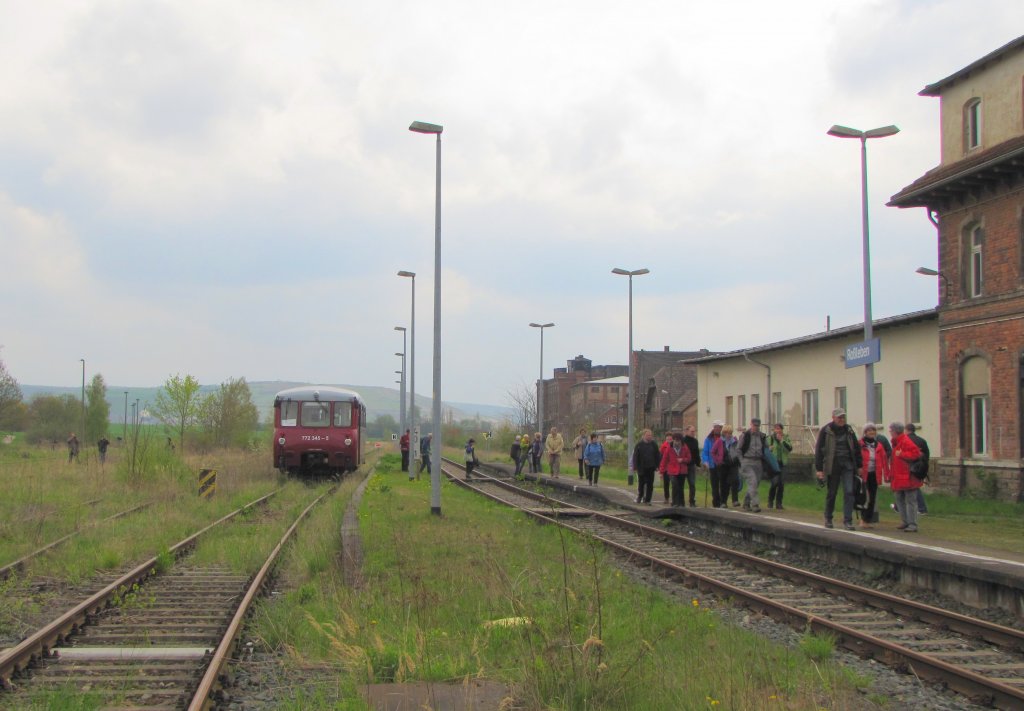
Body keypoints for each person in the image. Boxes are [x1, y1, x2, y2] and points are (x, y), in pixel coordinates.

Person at [814, 408, 863, 530]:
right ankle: (828, 517)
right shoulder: (826, 430)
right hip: (833, 464)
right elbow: (819, 450)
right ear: (833, 418)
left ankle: (848, 520)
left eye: (843, 417)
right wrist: (819, 469)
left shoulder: (849, 430)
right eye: (839, 417)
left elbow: (856, 448)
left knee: (849, 492)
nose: (841, 420)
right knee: (832, 492)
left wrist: (860, 465)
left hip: (848, 464)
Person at [887, 422, 923, 533]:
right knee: (899, 499)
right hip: (899, 476)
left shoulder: (905, 441)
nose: (890, 433)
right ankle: (905, 521)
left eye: (891, 430)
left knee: (910, 500)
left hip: (908, 476)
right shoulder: (897, 442)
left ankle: (912, 524)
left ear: (895, 431)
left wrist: (902, 454)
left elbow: (916, 454)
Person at [858, 423, 888, 528]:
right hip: (863, 474)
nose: (871, 432)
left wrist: (886, 475)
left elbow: (884, 460)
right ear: (865, 432)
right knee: (864, 497)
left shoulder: (878, 445)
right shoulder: (860, 444)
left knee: (872, 498)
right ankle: (862, 519)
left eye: (873, 430)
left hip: (874, 474)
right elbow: (856, 457)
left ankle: (867, 520)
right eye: (869, 430)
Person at [738, 418, 767, 512]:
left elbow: (765, 448)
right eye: (754, 425)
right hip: (747, 461)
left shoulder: (762, 436)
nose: (756, 427)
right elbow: (738, 449)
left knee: (755, 484)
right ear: (751, 424)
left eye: (757, 426)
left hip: (758, 462)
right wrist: (741, 461)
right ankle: (755, 504)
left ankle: (746, 502)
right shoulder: (745, 435)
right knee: (753, 482)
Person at [659, 433, 691, 506]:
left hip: (682, 470)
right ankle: (675, 502)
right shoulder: (669, 448)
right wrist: (661, 471)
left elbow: (689, 458)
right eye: (675, 440)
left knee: (681, 487)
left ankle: (681, 503)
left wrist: (682, 460)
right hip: (672, 470)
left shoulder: (685, 447)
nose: (677, 442)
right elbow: (664, 459)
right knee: (674, 485)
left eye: (678, 440)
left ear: (681, 440)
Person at [905, 423, 930, 515]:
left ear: (906, 430)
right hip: (919, 468)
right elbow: (927, 455)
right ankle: (899, 506)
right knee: (913, 487)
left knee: (911, 488)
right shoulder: (922, 441)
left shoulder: (906, 440)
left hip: (909, 467)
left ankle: (921, 508)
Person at [767, 423, 792, 510]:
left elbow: (789, 448)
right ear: (774, 430)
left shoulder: (786, 437)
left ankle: (779, 503)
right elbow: (765, 449)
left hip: (783, 463)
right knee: (775, 482)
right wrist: (769, 448)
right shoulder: (770, 438)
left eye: (779, 429)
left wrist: (782, 441)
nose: (778, 430)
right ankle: (770, 500)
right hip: (774, 464)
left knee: (781, 484)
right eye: (776, 429)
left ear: (782, 430)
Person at [633, 429, 661, 504]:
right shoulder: (639, 445)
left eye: (650, 435)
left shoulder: (654, 444)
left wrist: (657, 466)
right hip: (641, 467)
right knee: (641, 483)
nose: (649, 437)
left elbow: (657, 455)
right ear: (644, 436)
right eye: (648, 435)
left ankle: (648, 499)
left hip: (651, 467)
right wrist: (635, 467)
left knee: (650, 484)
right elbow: (635, 456)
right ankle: (640, 496)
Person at [702, 421, 725, 508]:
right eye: (716, 427)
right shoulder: (709, 439)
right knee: (714, 485)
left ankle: (723, 501)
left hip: (722, 465)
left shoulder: (723, 439)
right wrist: (706, 461)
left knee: (722, 484)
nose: (717, 429)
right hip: (712, 465)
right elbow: (705, 452)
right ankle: (716, 502)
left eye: (719, 427)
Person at [681, 425, 701, 507]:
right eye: (692, 431)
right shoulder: (683, 441)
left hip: (692, 465)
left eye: (694, 431)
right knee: (681, 484)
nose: (693, 433)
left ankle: (692, 501)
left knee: (692, 484)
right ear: (687, 431)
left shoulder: (695, 441)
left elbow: (696, 453)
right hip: (683, 465)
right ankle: (680, 501)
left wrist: (698, 463)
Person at [658, 433, 674, 503]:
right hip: (666, 468)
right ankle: (666, 497)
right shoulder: (663, 447)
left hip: (673, 468)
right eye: (667, 439)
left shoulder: (675, 446)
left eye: (670, 439)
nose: (669, 440)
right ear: (665, 439)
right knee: (666, 484)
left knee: (674, 483)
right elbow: (661, 458)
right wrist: (661, 469)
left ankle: (674, 498)